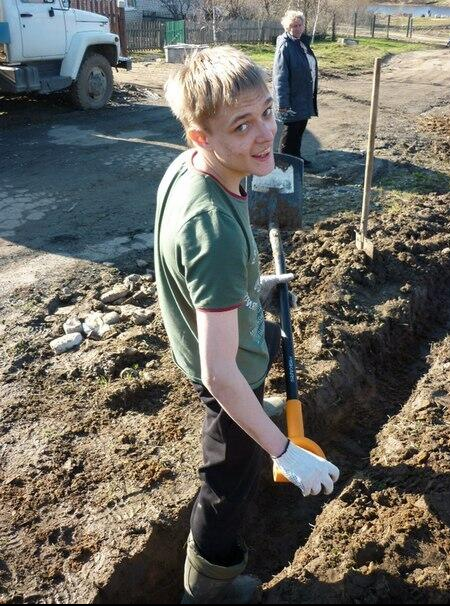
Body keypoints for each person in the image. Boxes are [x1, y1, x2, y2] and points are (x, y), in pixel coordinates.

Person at [154, 46, 339, 604]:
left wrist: (249, 294)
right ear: (201, 138)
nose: (266, 134)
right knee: (227, 484)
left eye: (267, 110)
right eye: (241, 125)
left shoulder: (192, 170)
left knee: (241, 450)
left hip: (229, 339)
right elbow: (220, 373)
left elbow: (195, 274)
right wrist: (283, 451)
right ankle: (208, 585)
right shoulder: (214, 232)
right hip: (229, 376)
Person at [273, 10, 319, 167]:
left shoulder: (300, 43)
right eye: (293, 25)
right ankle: (284, 163)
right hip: (292, 98)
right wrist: (283, 104)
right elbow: (280, 77)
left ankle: (297, 159)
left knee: (299, 130)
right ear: (287, 27)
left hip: (303, 95)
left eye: (299, 25)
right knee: (291, 132)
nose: (297, 28)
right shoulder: (286, 46)